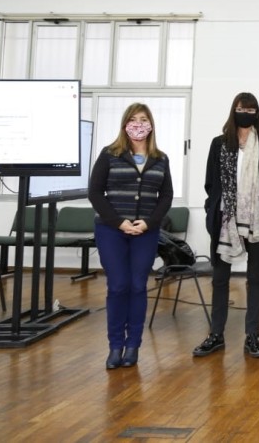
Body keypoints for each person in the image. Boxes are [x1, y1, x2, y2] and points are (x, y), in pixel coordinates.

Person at [193, 92, 259, 359]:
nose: (245, 111)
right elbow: (211, 183)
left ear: (256, 111)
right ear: (233, 110)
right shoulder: (219, 144)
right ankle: (216, 335)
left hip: (258, 220)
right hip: (225, 219)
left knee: (255, 278)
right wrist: (216, 207)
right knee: (220, 279)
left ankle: (253, 337)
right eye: (240, 107)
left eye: (250, 107)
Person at [89, 103, 173, 369]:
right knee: (118, 286)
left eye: (144, 119)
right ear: (125, 124)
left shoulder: (160, 158)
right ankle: (115, 346)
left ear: (151, 125)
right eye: (133, 119)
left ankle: (133, 345)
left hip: (145, 233)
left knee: (138, 286)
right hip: (111, 231)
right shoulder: (110, 154)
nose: (139, 124)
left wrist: (148, 223)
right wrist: (119, 222)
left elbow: (166, 196)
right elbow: (95, 192)